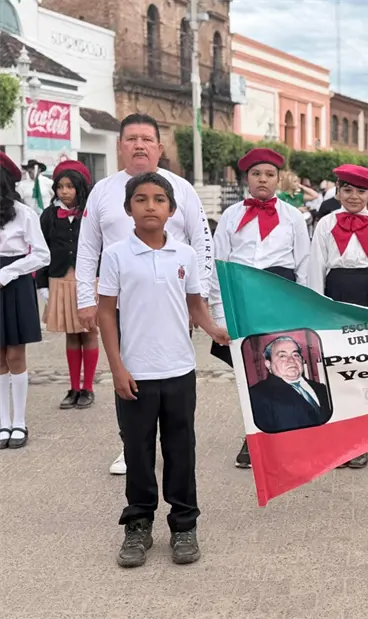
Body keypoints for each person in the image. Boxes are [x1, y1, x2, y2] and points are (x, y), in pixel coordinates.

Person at [97, 172, 229, 569]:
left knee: (180, 449)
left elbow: (194, 305)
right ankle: (138, 524)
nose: (150, 206)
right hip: (135, 372)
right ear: (128, 209)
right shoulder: (116, 255)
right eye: (141, 199)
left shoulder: (185, 255)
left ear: (172, 209)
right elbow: (106, 313)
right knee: (137, 451)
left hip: (178, 369)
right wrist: (117, 368)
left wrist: (215, 330)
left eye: (158, 199)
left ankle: (184, 525)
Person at [75, 113, 214, 476]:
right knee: (127, 375)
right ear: (119, 146)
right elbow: (88, 248)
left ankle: (174, 444)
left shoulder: (181, 189)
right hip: (120, 304)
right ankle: (131, 444)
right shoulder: (103, 191)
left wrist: (200, 298)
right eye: (132, 139)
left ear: (159, 147)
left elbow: (203, 244)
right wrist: (85, 299)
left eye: (147, 139)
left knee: (171, 374)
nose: (139, 145)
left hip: (172, 303)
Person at [209, 147, 310, 468]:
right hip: (242, 298)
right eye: (256, 174)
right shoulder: (231, 216)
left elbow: (304, 265)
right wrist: (219, 314)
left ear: (279, 179)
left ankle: (282, 432)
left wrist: (302, 309)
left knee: (279, 363)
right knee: (250, 368)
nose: (262, 180)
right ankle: (255, 433)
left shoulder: (293, 217)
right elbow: (218, 266)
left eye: (269, 174)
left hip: (279, 297)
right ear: (247, 179)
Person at [308, 164, 368, 469]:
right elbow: (316, 267)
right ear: (337, 191)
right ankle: (335, 440)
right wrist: (315, 310)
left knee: (361, 368)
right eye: (347, 190)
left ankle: (359, 441)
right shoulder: (325, 223)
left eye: (360, 191)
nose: (354, 197)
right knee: (334, 368)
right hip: (335, 294)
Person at [36, 160, 99, 410]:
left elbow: (102, 248)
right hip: (60, 281)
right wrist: (42, 285)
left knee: (89, 332)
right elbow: (41, 250)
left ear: (80, 187)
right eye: (60, 186)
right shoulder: (49, 216)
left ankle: (88, 387)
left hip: (89, 280)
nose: (65, 191)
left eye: (70, 186)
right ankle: (73, 387)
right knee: (71, 334)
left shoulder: (91, 214)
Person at [0, 153, 50, 451]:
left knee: (15, 354)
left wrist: (7, 273)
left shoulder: (23, 214)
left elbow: (42, 254)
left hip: (15, 285)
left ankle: (19, 421)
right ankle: (2, 421)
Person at [249, 336, 332, 433]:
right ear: (268, 364)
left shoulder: (322, 388)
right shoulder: (257, 395)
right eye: (282, 356)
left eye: (295, 355)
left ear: (302, 360)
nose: (291, 360)